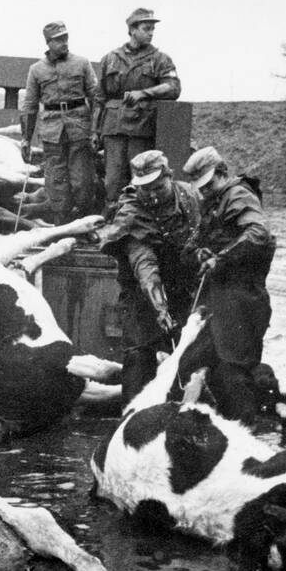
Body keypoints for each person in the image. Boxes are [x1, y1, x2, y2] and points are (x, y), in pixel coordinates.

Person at [98, 150, 201, 403]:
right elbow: (145, 265)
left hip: (184, 286)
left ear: (170, 176)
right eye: (145, 189)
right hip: (142, 294)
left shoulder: (190, 196)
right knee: (139, 353)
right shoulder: (131, 212)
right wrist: (160, 307)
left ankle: (183, 409)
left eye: (157, 187)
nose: (152, 194)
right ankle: (131, 416)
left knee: (190, 352)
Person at [182, 146, 276, 424]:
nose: (205, 191)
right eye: (201, 187)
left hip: (242, 297)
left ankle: (243, 436)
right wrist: (199, 252)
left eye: (209, 184)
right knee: (196, 362)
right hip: (220, 297)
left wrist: (220, 259)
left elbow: (258, 233)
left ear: (223, 174)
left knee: (233, 372)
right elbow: (199, 239)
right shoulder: (216, 199)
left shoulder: (238, 195)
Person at [96, 8, 181, 209]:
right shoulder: (111, 58)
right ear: (132, 30)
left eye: (152, 29)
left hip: (141, 127)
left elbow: (173, 87)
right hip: (113, 127)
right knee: (113, 179)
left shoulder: (160, 59)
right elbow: (99, 97)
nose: (151, 33)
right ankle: (113, 219)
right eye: (146, 28)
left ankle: (138, 219)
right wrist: (95, 130)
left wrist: (144, 93)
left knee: (141, 176)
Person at [19, 20, 100, 222]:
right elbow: (29, 106)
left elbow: (96, 98)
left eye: (65, 38)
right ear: (48, 43)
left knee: (82, 181)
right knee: (56, 181)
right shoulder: (36, 70)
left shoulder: (82, 63)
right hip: (51, 131)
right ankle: (60, 223)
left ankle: (83, 223)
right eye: (58, 40)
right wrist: (26, 139)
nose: (64, 43)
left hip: (79, 128)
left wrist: (95, 130)